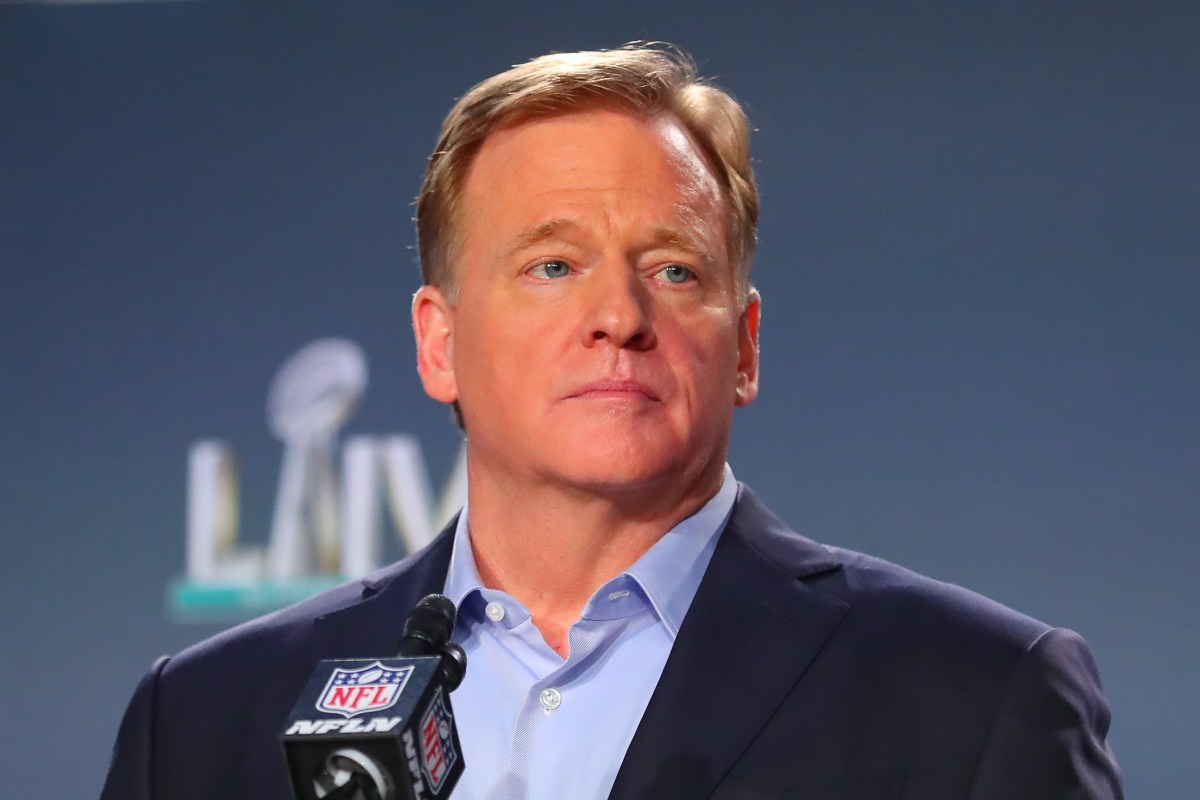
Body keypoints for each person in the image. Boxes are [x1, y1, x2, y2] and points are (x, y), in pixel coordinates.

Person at [101, 44, 1122, 799]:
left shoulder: (973, 697)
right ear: (439, 342)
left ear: (744, 347)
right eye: (552, 265)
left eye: (673, 270)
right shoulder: (205, 721)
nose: (620, 317)